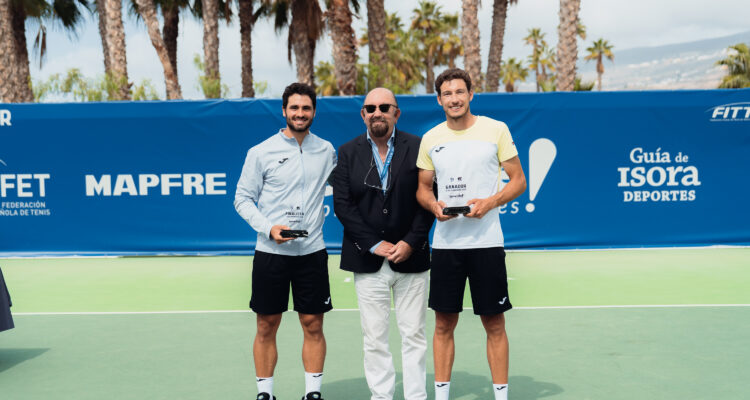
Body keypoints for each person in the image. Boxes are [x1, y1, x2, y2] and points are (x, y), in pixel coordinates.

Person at [415, 68, 527, 400]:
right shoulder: (431, 138)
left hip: (487, 244)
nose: (454, 98)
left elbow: (519, 180)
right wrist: (435, 206)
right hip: (447, 246)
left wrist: (491, 202)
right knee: (443, 325)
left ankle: (501, 396)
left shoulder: (496, 130)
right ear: (439, 99)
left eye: (459, 92)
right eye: (447, 94)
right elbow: (422, 189)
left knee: (494, 325)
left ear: (470, 94)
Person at [234, 82, 336, 400]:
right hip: (271, 252)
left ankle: (312, 393)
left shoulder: (327, 150)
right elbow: (242, 199)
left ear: (314, 112)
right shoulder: (260, 152)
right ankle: (265, 393)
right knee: (267, 324)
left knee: (313, 324)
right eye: (294, 108)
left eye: (306, 108)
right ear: (284, 111)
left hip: (312, 252)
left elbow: (347, 191)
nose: (300, 113)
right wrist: (268, 228)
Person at [332, 88, 435, 400]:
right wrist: (373, 243)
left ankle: (416, 396)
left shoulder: (418, 147)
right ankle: (382, 396)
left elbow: (428, 199)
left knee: (414, 334)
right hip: (368, 260)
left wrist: (411, 242)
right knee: (374, 337)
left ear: (396, 113)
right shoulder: (348, 152)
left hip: (411, 258)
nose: (377, 112)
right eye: (370, 108)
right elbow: (343, 205)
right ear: (363, 114)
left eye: (384, 107)